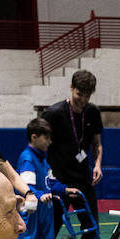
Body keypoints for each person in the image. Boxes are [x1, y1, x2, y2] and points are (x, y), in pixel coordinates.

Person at [9, 117, 77, 239]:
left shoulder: (42, 159)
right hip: (36, 222)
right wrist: (40, 195)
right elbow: (27, 186)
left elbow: (51, 183)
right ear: (34, 137)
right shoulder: (28, 159)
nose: (50, 141)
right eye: (46, 138)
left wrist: (64, 189)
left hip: (43, 219)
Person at [41, 69, 103, 223]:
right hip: (59, 181)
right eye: (79, 94)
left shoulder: (93, 112)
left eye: (87, 95)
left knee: (92, 228)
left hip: (83, 180)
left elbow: (97, 145)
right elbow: (41, 148)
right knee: (52, 227)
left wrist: (98, 165)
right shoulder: (53, 113)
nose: (83, 99)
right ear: (71, 87)